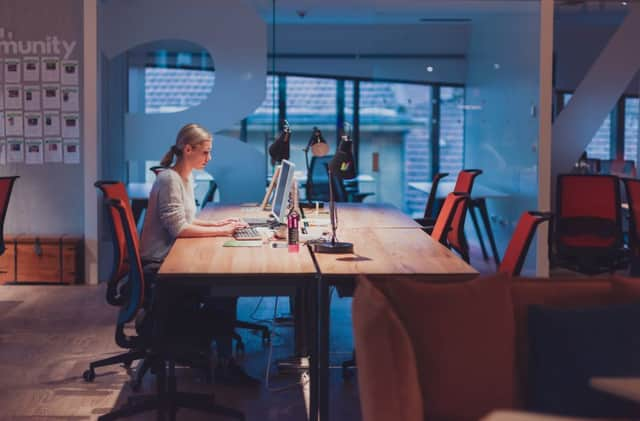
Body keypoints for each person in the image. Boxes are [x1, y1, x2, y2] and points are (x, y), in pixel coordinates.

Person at [140, 123, 258, 386]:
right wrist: (221, 233)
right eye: (205, 152)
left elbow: (188, 220)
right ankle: (222, 364)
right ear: (188, 149)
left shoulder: (185, 176)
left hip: (172, 255)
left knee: (226, 287)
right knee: (225, 287)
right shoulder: (169, 179)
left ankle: (218, 358)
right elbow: (179, 228)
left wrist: (218, 225)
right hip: (160, 264)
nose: (209, 158)